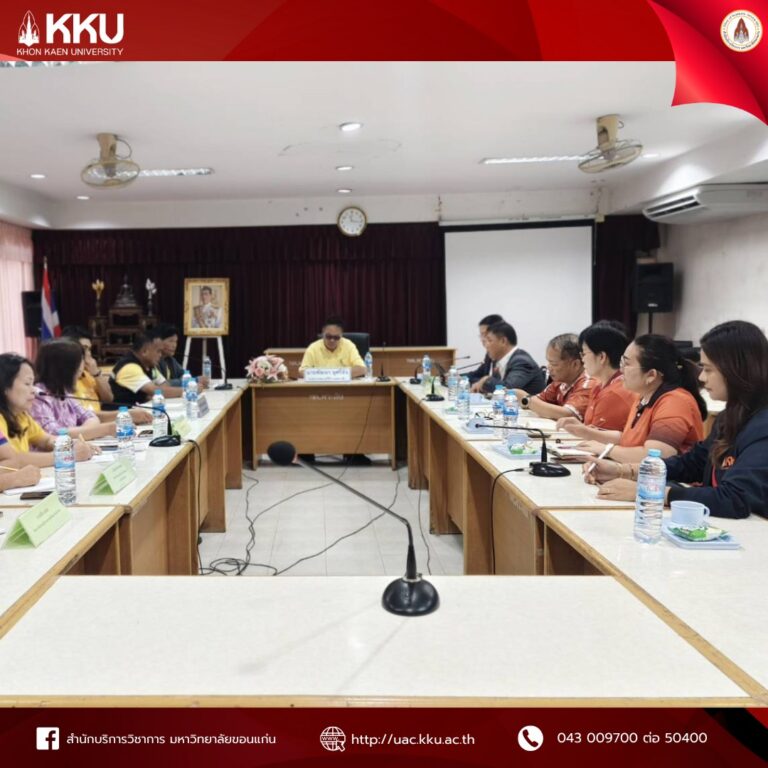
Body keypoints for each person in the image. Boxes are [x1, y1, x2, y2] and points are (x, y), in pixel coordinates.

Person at [585, 321, 768, 519]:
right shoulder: (730, 417)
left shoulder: (762, 426)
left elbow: (735, 499)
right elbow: (693, 463)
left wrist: (651, 492)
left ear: (736, 369)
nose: (702, 377)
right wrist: (623, 470)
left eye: (708, 369)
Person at [566, 334, 706, 463]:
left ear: (651, 375)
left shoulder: (675, 402)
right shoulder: (644, 396)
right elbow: (628, 439)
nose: (621, 370)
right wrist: (586, 432)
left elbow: (656, 456)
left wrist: (606, 450)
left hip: (668, 480)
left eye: (627, 364)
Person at [0, 353, 94, 466]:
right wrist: (68, 455)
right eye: (27, 383)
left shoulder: (21, 416)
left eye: (33, 383)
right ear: (4, 386)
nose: (34, 390)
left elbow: (46, 440)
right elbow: (14, 458)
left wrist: (72, 446)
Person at [556, 322, 635, 432]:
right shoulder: (600, 386)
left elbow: (601, 439)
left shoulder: (614, 394)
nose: (582, 359)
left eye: (584, 353)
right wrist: (582, 427)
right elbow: (596, 431)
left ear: (602, 357)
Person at [30, 340, 117, 440]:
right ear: (66, 369)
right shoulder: (38, 396)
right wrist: (103, 430)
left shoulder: (64, 392)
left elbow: (91, 417)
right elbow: (53, 433)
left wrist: (84, 433)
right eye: (79, 365)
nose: (81, 370)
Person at [512, 333, 593, 420]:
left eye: (554, 364)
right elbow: (539, 402)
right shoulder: (560, 382)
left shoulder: (588, 383)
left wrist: (527, 399)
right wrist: (527, 400)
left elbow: (568, 414)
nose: (549, 367)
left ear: (575, 364)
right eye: (548, 362)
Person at [108, 334, 185, 407]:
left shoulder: (149, 365)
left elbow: (164, 385)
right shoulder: (129, 367)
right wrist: (186, 391)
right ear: (144, 351)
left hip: (140, 409)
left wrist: (155, 393)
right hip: (121, 412)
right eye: (158, 351)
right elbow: (155, 391)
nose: (160, 355)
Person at [469, 321, 545, 395]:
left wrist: (485, 380)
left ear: (503, 341)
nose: (486, 345)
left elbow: (508, 389)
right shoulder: (497, 360)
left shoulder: (522, 362)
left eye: (489, 340)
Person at [61, 325, 114, 411]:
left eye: (89, 349)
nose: (88, 353)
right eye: (84, 348)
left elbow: (108, 398)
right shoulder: (62, 378)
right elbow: (79, 415)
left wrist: (96, 373)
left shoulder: (87, 374)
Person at [298, 317, 366, 378]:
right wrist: (330, 376)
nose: (332, 340)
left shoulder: (349, 345)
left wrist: (333, 375)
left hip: (344, 386)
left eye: (336, 337)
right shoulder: (313, 348)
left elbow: (362, 369)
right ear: (323, 333)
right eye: (328, 336)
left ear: (341, 335)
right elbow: (302, 371)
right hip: (320, 386)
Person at [466, 314, 504, 385]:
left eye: (485, 334)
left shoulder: (516, 360)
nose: (482, 339)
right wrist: (458, 377)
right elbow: (477, 374)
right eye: (481, 335)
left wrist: (484, 381)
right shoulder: (489, 354)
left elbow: (503, 386)